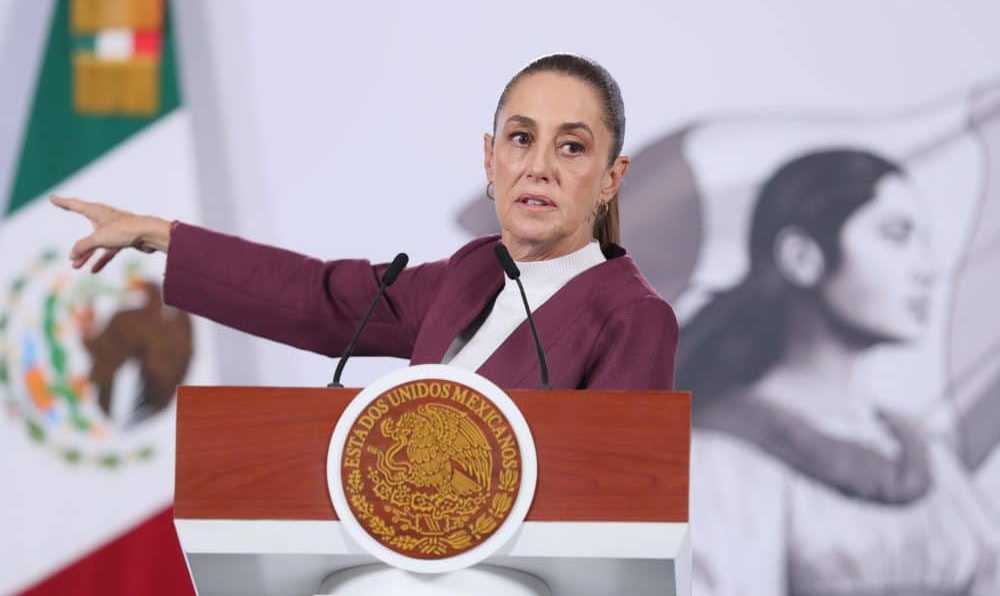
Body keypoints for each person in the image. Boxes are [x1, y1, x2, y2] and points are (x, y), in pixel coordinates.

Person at [51, 53, 679, 391]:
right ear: (490, 157)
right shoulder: (468, 277)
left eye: (571, 147)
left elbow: (612, 509)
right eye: (521, 139)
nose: (538, 167)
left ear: (611, 178)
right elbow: (315, 298)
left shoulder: (630, 316)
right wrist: (162, 236)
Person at [683, 149, 1000, 594]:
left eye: (923, 241)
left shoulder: (925, 457)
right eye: (896, 235)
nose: (926, 270)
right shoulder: (720, 459)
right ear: (802, 256)